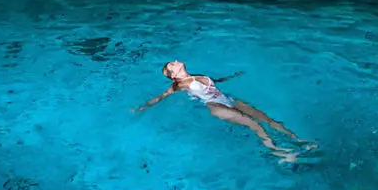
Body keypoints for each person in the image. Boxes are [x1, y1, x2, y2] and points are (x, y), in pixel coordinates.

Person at [133, 59, 314, 162]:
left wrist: (233, 76)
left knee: (270, 120)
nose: (173, 61)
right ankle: (280, 153)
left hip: (227, 99)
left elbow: (215, 82)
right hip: (216, 106)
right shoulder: (179, 85)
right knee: (254, 125)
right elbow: (160, 97)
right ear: (172, 75)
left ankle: (299, 140)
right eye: (170, 65)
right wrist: (141, 108)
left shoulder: (196, 75)